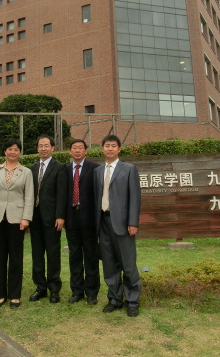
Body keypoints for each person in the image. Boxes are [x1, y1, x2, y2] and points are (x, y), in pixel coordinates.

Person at [93, 135, 142, 317]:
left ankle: (132, 300)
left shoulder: (129, 169)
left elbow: (135, 197)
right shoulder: (98, 171)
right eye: (107, 146)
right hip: (103, 222)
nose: (110, 149)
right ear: (102, 149)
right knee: (109, 264)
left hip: (123, 224)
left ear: (119, 149)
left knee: (128, 264)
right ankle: (114, 298)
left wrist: (133, 222)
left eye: (113, 146)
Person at [0, 138, 33, 310]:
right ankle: (0, 294)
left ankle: (14, 295)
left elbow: (29, 196)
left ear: (20, 152)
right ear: (4, 151)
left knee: (16, 258)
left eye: (16, 149)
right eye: (9, 149)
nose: (13, 152)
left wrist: (26, 218)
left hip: (17, 219)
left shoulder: (26, 172)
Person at [28, 135, 66, 303]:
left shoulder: (60, 167)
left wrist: (60, 216)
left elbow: (62, 194)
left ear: (52, 148)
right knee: (37, 253)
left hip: (52, 218)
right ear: (37, 148)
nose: (43, 148)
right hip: (34, 217)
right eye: (40, 146)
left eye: (46, 145)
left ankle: (54, 289)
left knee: (52, 253)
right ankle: (40, 287)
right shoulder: (32, 168)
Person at [64, 139, 100, 305]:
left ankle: (92, 292)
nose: (77, 150)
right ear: (70, 151)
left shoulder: (95, 168)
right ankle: (77, 291)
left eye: (80, 148)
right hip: (71, 218)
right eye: (74, 148)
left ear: (86, 151)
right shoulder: (65, 169)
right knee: (75, 256)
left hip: (89, 219)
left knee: (91, 256)